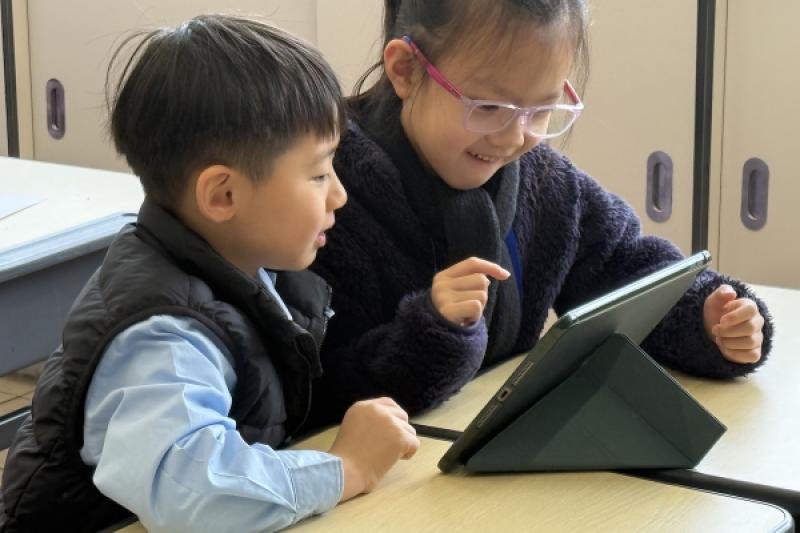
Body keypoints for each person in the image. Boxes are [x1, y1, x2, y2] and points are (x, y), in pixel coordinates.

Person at [0, 14, 418, 533]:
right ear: (223, 195)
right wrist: (345, 468)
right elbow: (197, 494)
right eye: (317, 173)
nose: (340, 194)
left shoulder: (245, 269)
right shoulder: (162, 335)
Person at [307, 0, 773, 427]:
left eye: (542, 109)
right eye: (489, 107)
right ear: (406, 70)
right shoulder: (324, 197)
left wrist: (706, 319)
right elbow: (312, 391)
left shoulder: (544, 181)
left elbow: (623, 271)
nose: (514, 138)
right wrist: (432, 331)